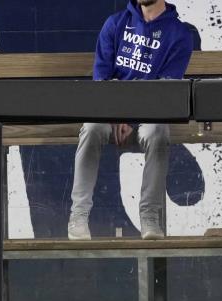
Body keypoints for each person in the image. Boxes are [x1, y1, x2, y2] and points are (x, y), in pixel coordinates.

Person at [68, 0, 194, 240]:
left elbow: (165, 92)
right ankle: (79, 216)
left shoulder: (179, 34)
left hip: (148, 119)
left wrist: (131, 117)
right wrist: (118, 114)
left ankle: (149, 217)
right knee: (91, 127)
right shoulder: (115, 24)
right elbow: (101, 82)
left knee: (157, 132)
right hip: (111, 118)